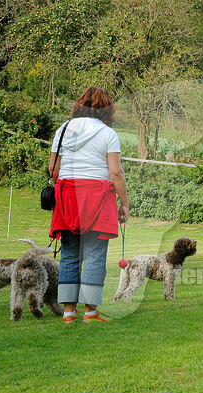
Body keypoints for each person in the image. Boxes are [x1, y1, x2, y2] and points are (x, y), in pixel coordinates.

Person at [48, 86, 129, 324]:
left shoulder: (62, 130)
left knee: (70, 254)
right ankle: (91, 312)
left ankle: (68, 313)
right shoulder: (107, 134)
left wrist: (65, 190)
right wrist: (124, 203)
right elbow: (115, 173)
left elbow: (53, 170)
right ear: (107, 110)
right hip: (98, 195)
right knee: (95, 255)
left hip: (67, 194)